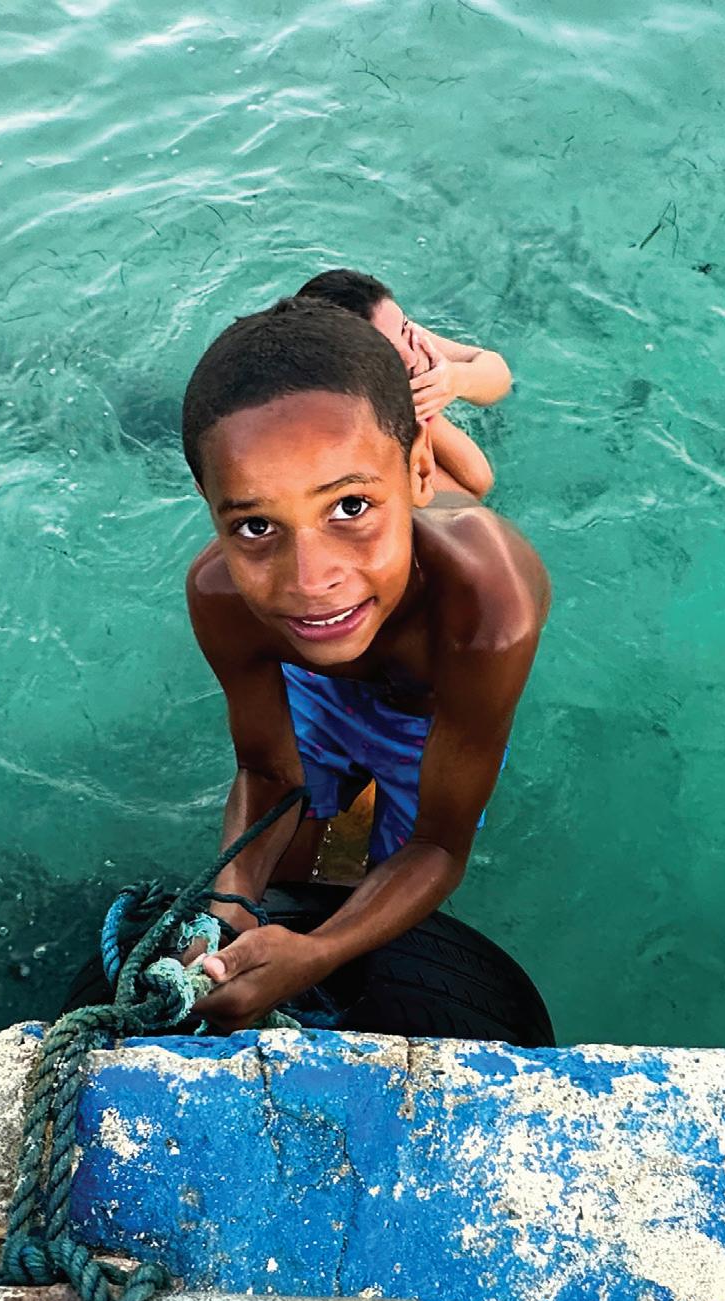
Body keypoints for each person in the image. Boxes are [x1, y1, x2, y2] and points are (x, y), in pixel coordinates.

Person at [181, 296, 549, 1031]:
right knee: (285, 869)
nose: (309, 579)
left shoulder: (488, 616)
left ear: (419, 470)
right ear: (211, 505)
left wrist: (319, 953)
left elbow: (439, 845)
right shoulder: (219, 594)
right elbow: (266, 772)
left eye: (349, 507)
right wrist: (227, 909)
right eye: (256, 525)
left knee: (392, 878)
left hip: (431, 714)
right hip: (321, 679)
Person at [296, 268, 511, 497]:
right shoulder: (341, 431)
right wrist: (417, 407)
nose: (410, 356)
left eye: (404, 326)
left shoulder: (400, 335)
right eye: (387, 348)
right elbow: (472, 489)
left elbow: (498, 374)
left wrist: (455, 379)